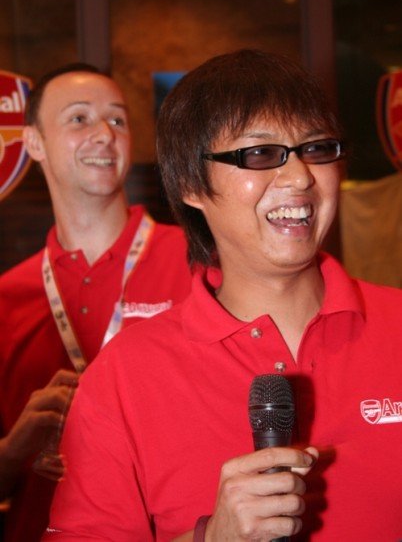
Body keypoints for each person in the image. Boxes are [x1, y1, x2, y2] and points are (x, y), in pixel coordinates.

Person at [44, 50, 402, 541]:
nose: (300, 177)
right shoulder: (123, 377)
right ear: (191, 183)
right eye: (260, 154)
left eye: (317, 148)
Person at [0, 63, 192, 542]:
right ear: (35, 143)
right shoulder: (7, 298)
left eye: (117, 119)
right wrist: (14, 449)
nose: (105, 133)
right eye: (79, 118)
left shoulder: (199, 263)